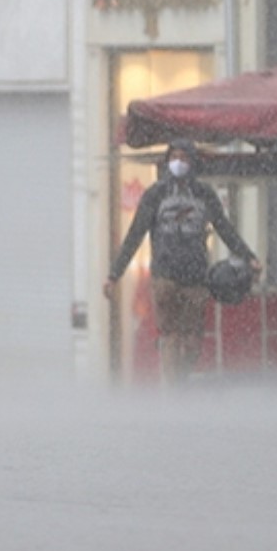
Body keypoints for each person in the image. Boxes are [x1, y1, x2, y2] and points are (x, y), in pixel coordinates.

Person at [105, 140, 261, 384]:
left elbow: (224, 229)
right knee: (170, 335)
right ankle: (173, 390)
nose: (178, 163)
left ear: (193, 162)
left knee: (192, 341)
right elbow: (135, 235)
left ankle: (181, 379)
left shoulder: (204, 194)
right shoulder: (155, 194)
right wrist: (114, 274)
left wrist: (248, 257)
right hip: (165, 277)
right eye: (174, 157)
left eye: (184, 157)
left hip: (196, 278)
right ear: (167, 162)